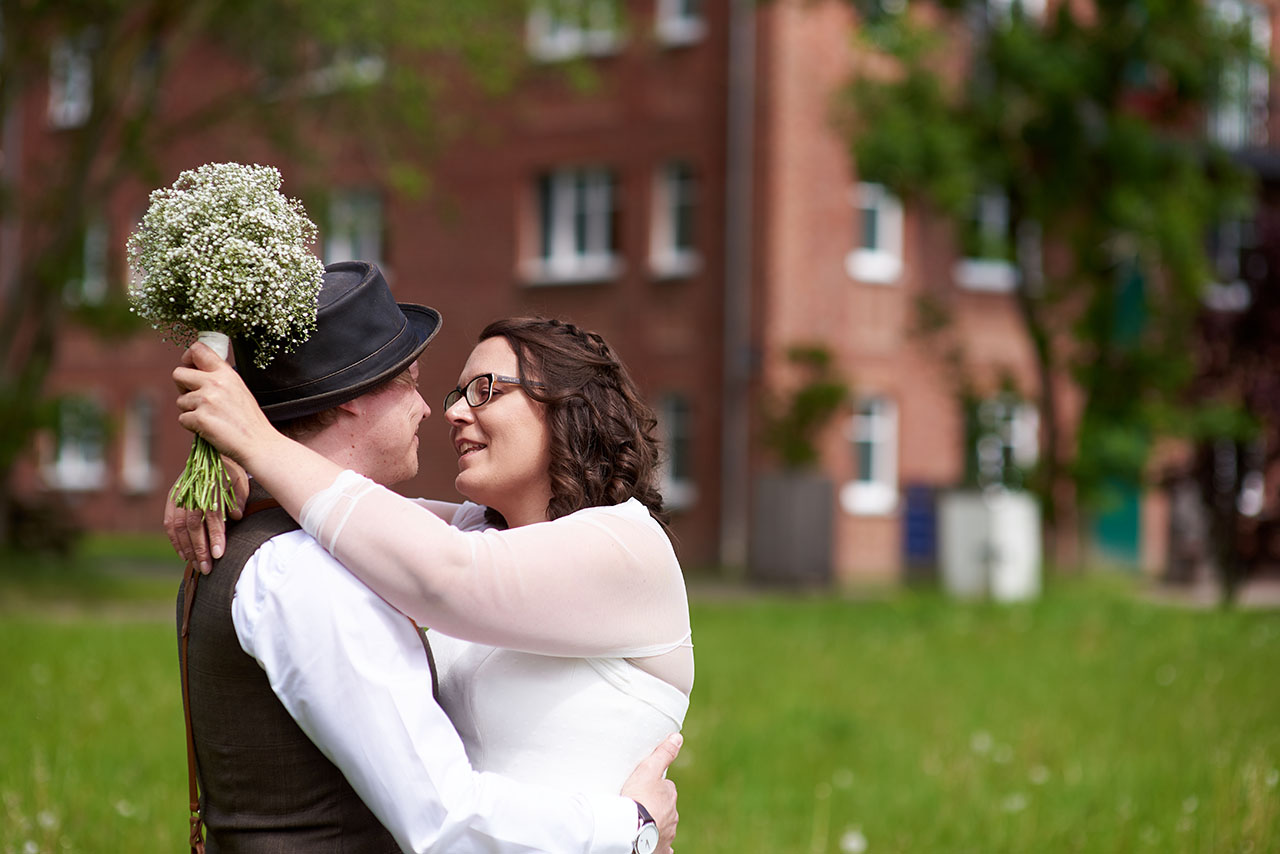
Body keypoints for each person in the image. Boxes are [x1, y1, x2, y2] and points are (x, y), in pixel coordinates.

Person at [175, 260, 677, 854]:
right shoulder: (465, 537)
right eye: (432, 387)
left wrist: (255, 442)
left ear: (571, 406)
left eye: (485, 390)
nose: (446, 410)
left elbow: (441, 570)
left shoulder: (627, 546)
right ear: (351, 399)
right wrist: (221, 470)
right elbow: (367, 518)